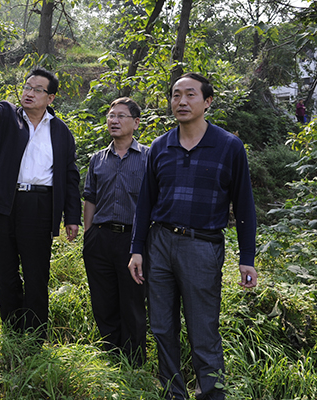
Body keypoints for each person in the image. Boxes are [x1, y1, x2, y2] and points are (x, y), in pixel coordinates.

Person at [128, 73, 257, 399]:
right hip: (160, 244)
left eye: (190, 95)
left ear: (207, 101)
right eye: (176, 95)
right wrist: (137, 248)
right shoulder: (160, 146)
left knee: (203, 329)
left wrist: (247, 258)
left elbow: (244, 205)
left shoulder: (228, 146)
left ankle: (212, 394)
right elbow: (145, 203)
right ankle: (173, 393)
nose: (181, 101)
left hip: (203, 246)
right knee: (162, 327)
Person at [0, 67, 81, 340]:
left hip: (40, 205)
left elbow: (70, 176)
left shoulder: (60, 132)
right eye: (27, 87)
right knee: (5, 270)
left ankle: (34, 336)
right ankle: (11, 330)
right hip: (4, 204)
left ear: (51, 98)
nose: (29, 93)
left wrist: (72, 216)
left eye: (37, 90)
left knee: (36, 273)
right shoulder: (8, 116)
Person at [82, 97, 148, 365]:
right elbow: (90, 198)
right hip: (100, 238)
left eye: (121, 116)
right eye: (111, 116)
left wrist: (142, 242)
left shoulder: (149, 157)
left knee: (132, 301)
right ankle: (110, 357)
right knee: (103, 300)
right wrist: (89, 235)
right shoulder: (97, 159)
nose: (114, 121)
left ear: (136, 122)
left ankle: (134, 362)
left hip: (133, 241)